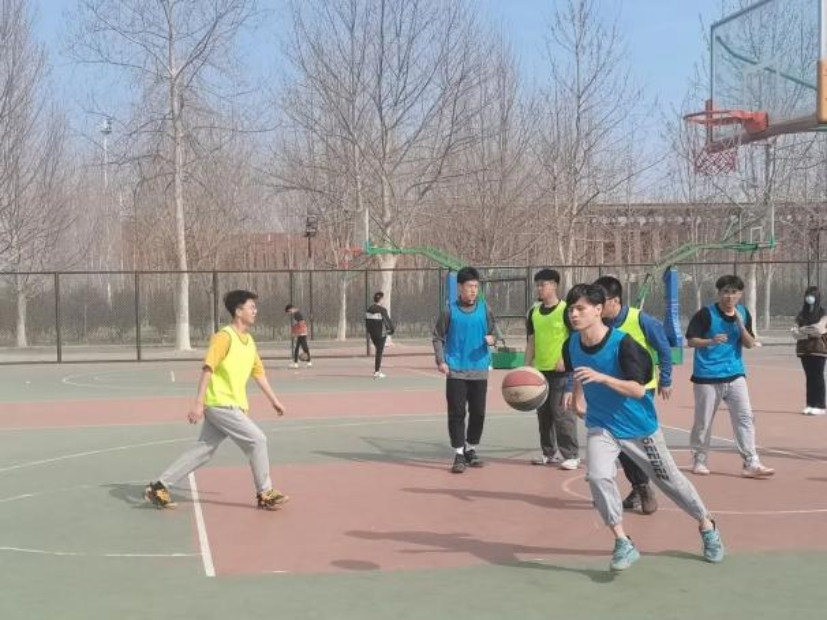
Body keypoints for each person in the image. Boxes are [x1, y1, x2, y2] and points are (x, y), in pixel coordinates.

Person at [562, 283, 723, 571]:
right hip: (601, 425)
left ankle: (706, 524)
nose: (574, 314)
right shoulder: (572, 343)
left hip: (638, 427)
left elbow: (637, 390)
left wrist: (603, 378)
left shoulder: (623, 344)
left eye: (580, 308)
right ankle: (623, 541)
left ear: (598, 310)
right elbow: (578, 373)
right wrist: (576, 401)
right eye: (571, 309)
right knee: (598, 477)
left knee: (670, 481)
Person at [144, 290, 289, 510]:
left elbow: (258, 373)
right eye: (251, 307)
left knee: (203, 451)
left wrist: (274, 400)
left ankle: (159, 487)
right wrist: (198, 403)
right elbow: (208, 369)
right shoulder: (224, 337)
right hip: (220, 404)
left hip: (232, 405)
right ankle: (265, 492)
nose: (255, 311)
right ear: (238, 311)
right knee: (257, 440)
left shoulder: (249, 341)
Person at [594, 275, 673, 515]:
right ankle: (638, 487)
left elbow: (664, 348)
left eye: (601, 301)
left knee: (634, 440)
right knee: (617, 441)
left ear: (615, 300)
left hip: (639, 390)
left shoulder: (640, 319)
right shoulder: (598, 323)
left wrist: (666, 379)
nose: (597, 306)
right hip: (610, 389)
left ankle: (646, 487)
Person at [686, 275, 775, 478]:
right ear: (719, 293)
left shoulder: (743, 313)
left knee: (745, 417)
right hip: (707, 376)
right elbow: (691, 341)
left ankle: (751, 462)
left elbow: (750, 344)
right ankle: (700, 459)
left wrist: (741, 327)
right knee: (703, 421)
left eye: (734, 292)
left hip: (735, 374)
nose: (729, 296)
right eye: (725, 292)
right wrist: (710, 341)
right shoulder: (705, 314)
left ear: (740, 294)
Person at [433, 266, 500, 474]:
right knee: (457, 413)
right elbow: (437, 337)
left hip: (479, 369)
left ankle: (471, 448)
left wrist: (493, 339)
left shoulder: (485, 308)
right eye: (470, 286)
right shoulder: (449, 310)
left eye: (476, 287)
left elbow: (494, 332)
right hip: (456, 370)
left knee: (478, 413)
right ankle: (459, 453)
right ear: (460, 287)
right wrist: (441, 361)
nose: (473, 290)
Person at [524, 268, 578, 470]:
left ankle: (571, 455)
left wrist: (565, 358)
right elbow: (531, 341)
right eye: (537, 285)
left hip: (562, 372)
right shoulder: (534, 312)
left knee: (562, 414)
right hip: (540, 372)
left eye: (543, 285)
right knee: (543, 415)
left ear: (554, 286)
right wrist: (526, 367)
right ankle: (548, 453)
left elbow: (574, 338)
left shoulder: (566, 310)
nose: (539, 288)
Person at [791, 286, 827, 415]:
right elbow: (795, 332)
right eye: (807, 295)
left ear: (817, 297)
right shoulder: (801, 314)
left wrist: (803, 330)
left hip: (818, 349)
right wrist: (806, 331)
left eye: (812, 295)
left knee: (818, 376)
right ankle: (810, 404)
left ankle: (820, 405)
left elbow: (819, 330)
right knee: (809, 377)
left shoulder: (823, 313)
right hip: (803, 350)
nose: (809, 297)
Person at [366, 291, 395, 378]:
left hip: (372, 334)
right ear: (381, 299)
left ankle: (377, 371)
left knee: (378, 350)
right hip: (381, 334)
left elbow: (367, 323)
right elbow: (387, 321)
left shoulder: (369, 309)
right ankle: (377, 371)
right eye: (383, 299)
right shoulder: (382, 310)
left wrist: (369, 331)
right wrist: (391, 330)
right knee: (379, 352)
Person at [285, 304, 312, 368]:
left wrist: (295, 332)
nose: (290, 313)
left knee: (301, 348)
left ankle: (297, 363)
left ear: (290, 309)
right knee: (303, 347)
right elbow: (300, 324)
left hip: (301, 333)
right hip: (302, 332)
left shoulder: (296, 314)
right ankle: (307, 362)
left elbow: (300, 324)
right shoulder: (297, 313)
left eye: (289, 312)